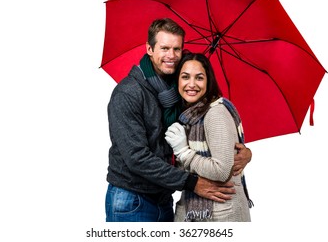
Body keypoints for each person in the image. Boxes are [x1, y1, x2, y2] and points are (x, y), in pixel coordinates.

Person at [105, 18, 252, 222]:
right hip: (132, 199)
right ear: (149, 49)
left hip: (164, 198)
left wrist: (244, 152)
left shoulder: (179, 92)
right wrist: (192, 183)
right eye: (164, 48)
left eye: (177, 49)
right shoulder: (128, 93)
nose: (171, 56)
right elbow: (136, 157)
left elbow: (207, 140)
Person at [165, 51, 252, 222]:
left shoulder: (215, 113)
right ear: (177, 81)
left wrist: (184, 152)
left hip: (221, 215)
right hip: (196, 211)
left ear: (208, 81)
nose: (191, 84)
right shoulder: (189, 116)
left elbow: (221, 171)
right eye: (185, 77)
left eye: (199, 78)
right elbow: (185, 172)